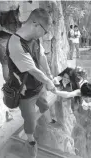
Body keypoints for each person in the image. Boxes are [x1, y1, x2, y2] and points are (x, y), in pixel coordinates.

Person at [7, 8, 56, 158]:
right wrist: (47, 81)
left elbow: (41, 56)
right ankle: (30, 141)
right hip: (25, 92)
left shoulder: (35, 38)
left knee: (45, 106)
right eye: (45, 31)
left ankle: (39, 122)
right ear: (35, 24)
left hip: (37, 86)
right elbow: (33, 70)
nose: (45, 35)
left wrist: (48, 74)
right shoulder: (16, 44)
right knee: (30, 123)